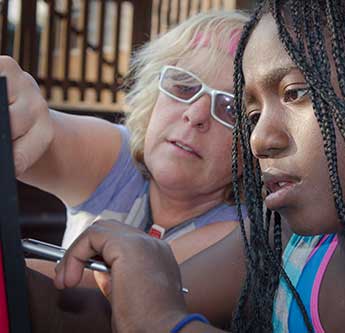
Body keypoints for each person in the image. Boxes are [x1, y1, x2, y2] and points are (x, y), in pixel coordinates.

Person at [54, 0, 345, 332]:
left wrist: (166, 322)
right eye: (251, 114)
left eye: (295, 93)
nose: (259, 139)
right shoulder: (287, 247)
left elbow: (153, 312)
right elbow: (110, 311)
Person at [4, 10, 250, 332]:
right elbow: (45, 133)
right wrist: (18, 110)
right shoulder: (119, 156)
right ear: (154, 95)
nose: (195, 114)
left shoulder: (242, 234)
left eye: (230, 107)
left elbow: (124, 294)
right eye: (183, 84)